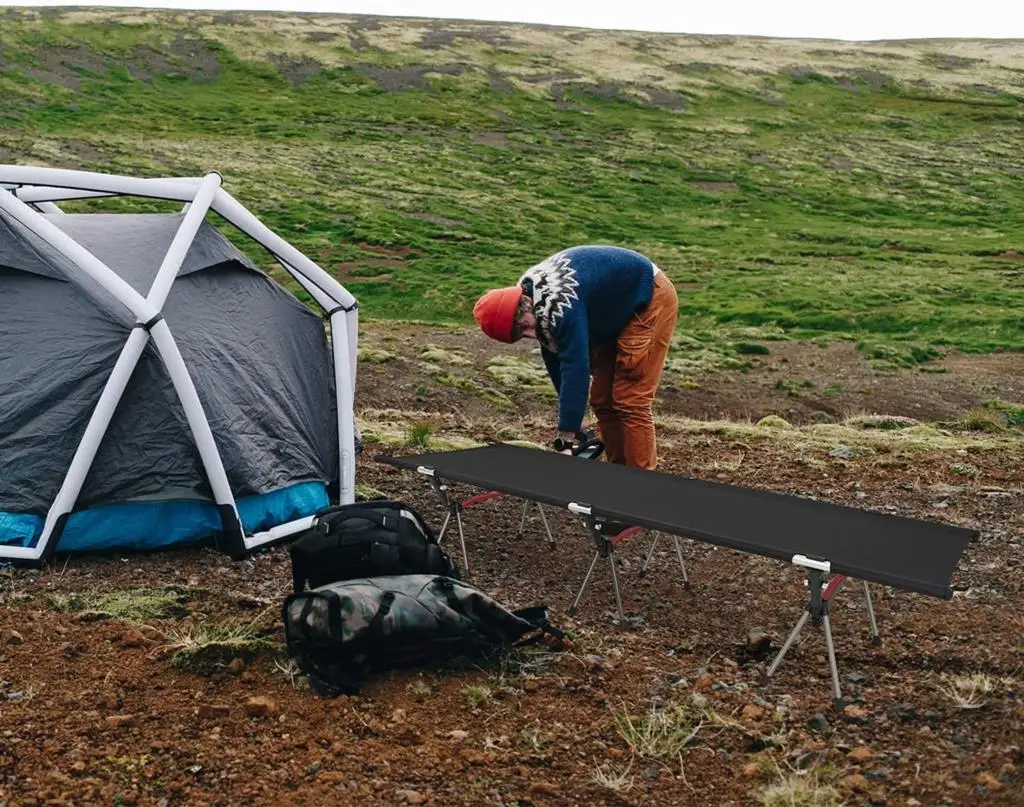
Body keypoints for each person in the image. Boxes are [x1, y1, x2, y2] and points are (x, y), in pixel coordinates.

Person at [472, 245, 678, 470]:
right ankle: (620, 475)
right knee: (602, 400)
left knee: (630, 399)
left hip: (648, 295)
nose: (531, 334)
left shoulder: (560, 304)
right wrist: (574, 420)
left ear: (526, 305)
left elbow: (575, 367)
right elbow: (555, 361)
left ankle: (643, 486)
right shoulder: (532, 301)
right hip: (614, 309)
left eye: (526, 327)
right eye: (521, 335)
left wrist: (566, 438)